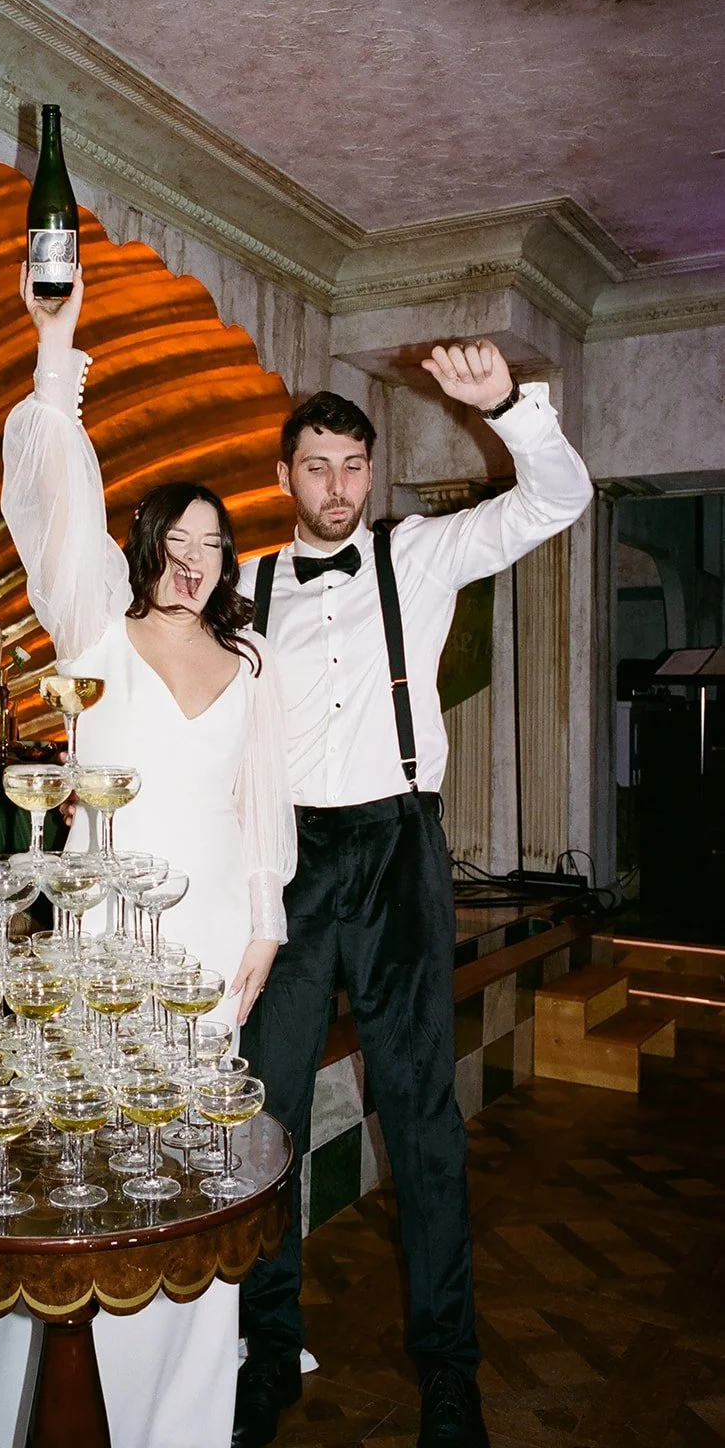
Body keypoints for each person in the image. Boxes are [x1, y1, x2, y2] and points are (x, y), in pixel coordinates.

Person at [233, 340, 594, 1448]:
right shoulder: (241, 586)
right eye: (315, 464)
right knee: (265, 1117)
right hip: (285, 861)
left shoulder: (423, 553)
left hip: (396, 851)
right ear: (284, 474)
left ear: (370, 472)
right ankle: (265, 1347)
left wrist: (507, 410)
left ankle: (448, 1371)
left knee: (422, 1119)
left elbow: (559, 498)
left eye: (353, 464)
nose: (336, 485)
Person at [0, 265, 297, 1448]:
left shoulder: (249, 666)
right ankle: (65, 1411)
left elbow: (264, 806)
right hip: (102, 945)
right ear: (151, 540)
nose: (198, 558)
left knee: (191, 1182)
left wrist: (263, 920)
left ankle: (183, 1424)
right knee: (95, 1175)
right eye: (182, 536)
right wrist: (55, 360)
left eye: (217, 543)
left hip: (210, 947)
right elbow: (55, 501)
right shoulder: (94, 621)